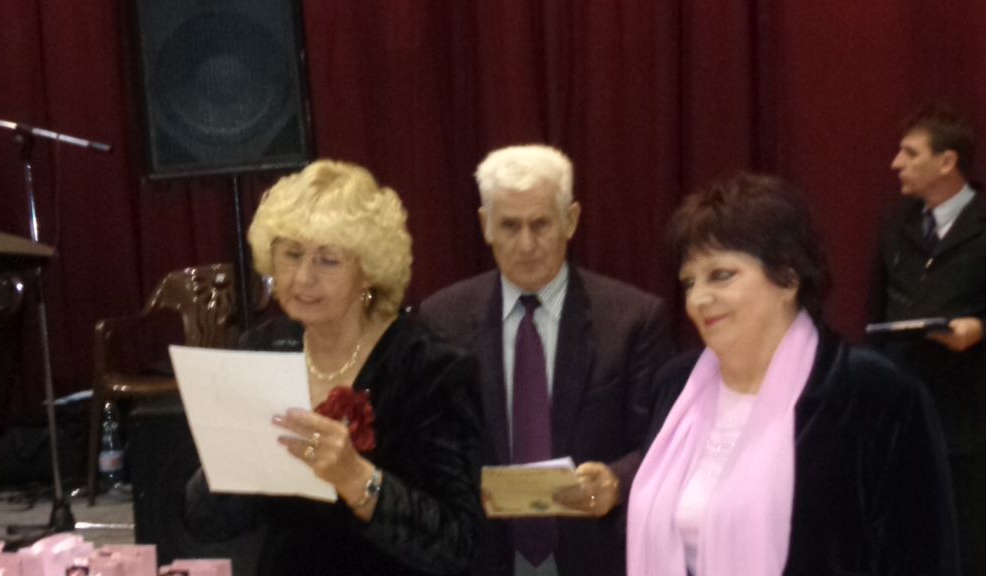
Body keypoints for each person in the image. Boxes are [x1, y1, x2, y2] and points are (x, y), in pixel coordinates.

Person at [626, 173, 958, 575]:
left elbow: (921, 557)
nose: (698, 298)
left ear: (787, 279)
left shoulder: (874, 395)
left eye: (721, 275)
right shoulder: (676, 387)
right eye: (689, 282)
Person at [184, 160, 485, 576]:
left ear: (369, 271)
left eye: (327, 260)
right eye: (291, 254)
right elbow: (206, 523)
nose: (303, 277)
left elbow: (459, 544)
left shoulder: (431, 368)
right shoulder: (263, 349)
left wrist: (357, 479)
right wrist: (226, 457)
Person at [419, 145, 674, 576]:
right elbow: (433, 442)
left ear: (570, 220)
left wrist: (616, 481)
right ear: (485, 225)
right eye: (509, 225)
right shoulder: (442, 319)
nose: (526, 245)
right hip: (483, 557)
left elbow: (664, 443)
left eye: (540, 224)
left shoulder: (632, 320)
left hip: (594, 555)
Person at [869, 102, 986, 574]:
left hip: (969, 419)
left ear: (947, 161)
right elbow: (876, 307)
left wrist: (980, 329)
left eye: (910, 153)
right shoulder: (895, 222)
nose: (896, 163)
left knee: (967, 545)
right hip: (902, 411)